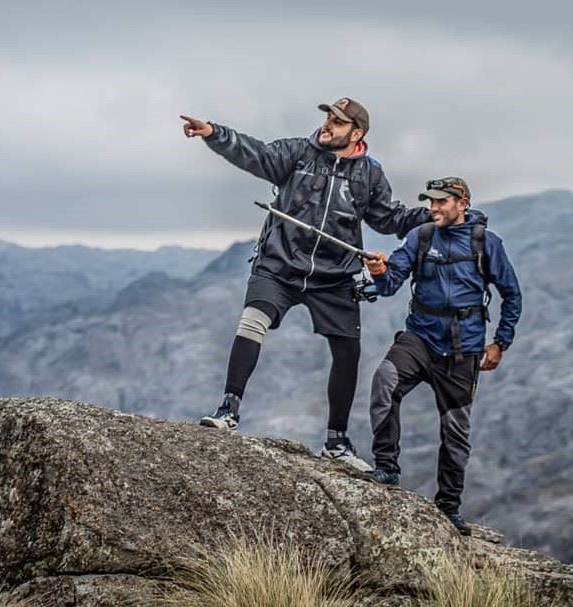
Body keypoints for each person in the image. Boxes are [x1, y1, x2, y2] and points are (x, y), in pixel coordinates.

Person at [180, 98, 430, 471]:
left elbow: (388, 218)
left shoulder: (369, 174)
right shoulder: (298, 152)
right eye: (328, 117)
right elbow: (256, 154)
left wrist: (435, 217)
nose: (328, 124)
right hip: (279, 264)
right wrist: (215, 134)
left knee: (348, 352)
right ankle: (228, 410)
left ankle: (336, 442)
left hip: (335, 276)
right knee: (252, 321)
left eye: (338, 121)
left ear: (356, 133)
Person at [362, 176, 521, 535]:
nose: (433, 208)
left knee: (455, 430)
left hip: (464, 347)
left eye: (441, 202)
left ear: (462, 203)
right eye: (430, 202)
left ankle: (448, 507)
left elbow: (512, 295)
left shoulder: (486, 243)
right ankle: (386, 467)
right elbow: (389, 285)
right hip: (420, 337)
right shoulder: (420, 237)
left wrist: (500, 343)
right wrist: (378, 270)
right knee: (385, 380)